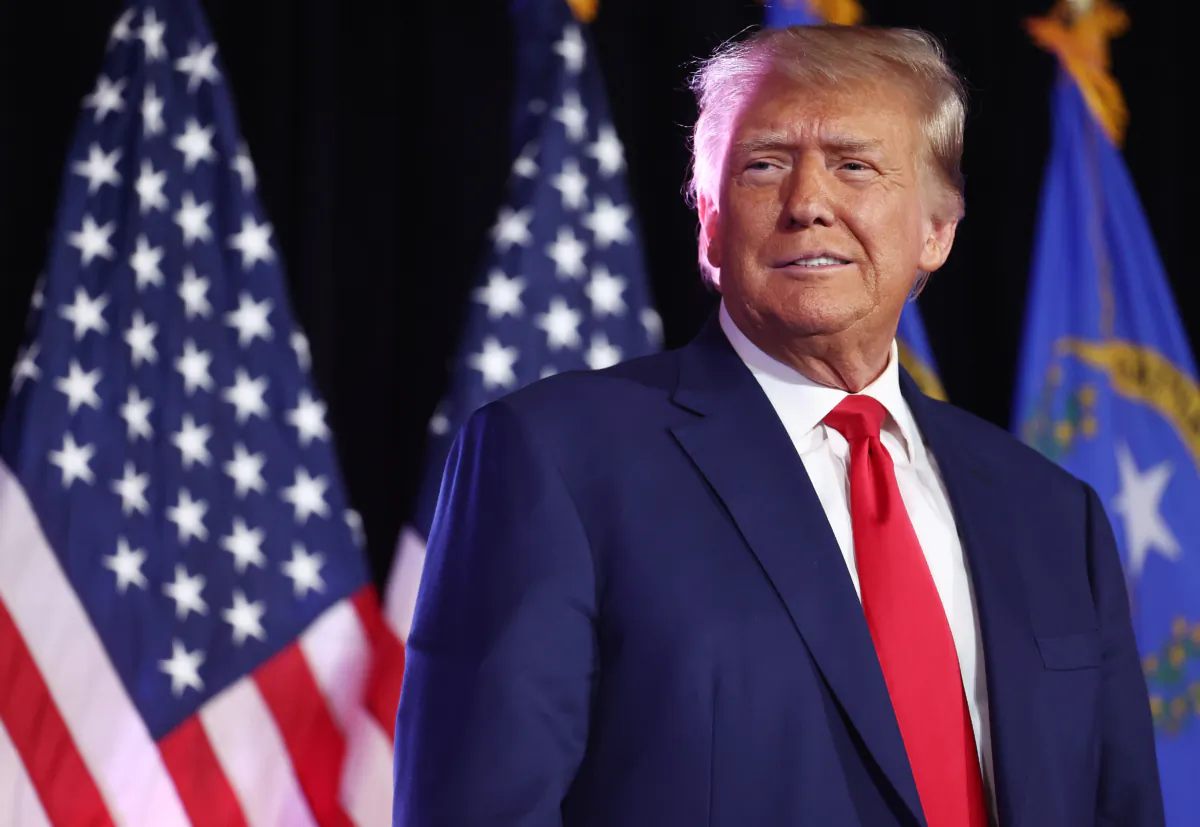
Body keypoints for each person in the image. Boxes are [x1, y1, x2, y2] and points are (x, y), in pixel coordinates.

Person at [392, 24, 1165, 827]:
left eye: (854, 166)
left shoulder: (1053, 514)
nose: (806, 204)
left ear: (938, 229)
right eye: (764, 165)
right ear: (710, 223)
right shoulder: (557, 459)